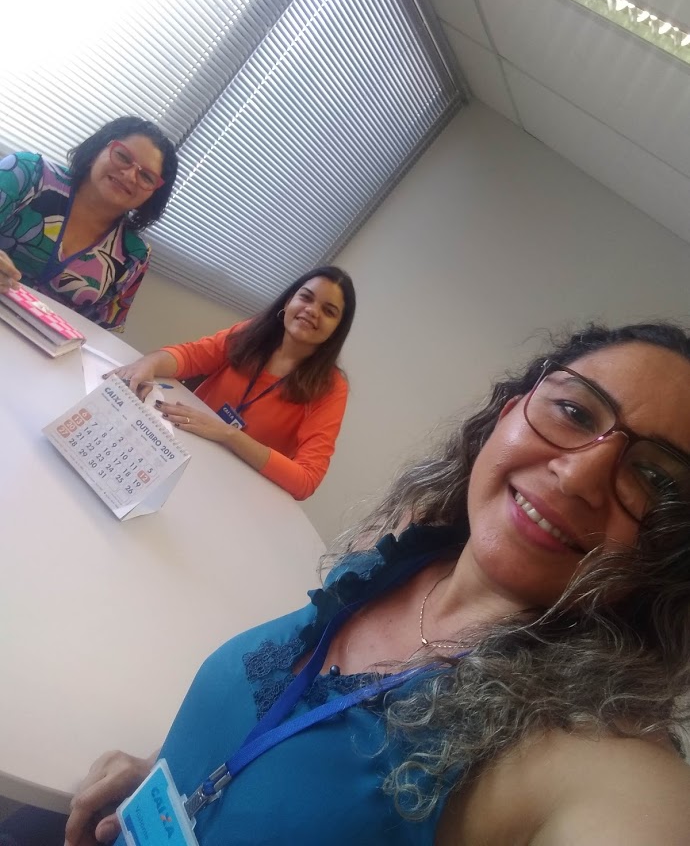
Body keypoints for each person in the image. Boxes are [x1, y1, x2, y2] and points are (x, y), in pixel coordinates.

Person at [4, 321, 690, 846]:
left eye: (655, 478)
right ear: (511, 412)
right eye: (575, 412)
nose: (578, 476)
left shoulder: (592, 752)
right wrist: (163, 770)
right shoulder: (397, 561)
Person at [111, 266, 356, 500]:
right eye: (306, 297)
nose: (312, 310)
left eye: (328, 311)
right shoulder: (254, 333)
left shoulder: (332, 388)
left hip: (232, 486)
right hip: (180, 444)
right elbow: (191, 355)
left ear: (337, 330)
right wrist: (149, 364)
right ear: (289, 301)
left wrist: (228, 434)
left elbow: (306, 480)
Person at [0, 116, 178, 330]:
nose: (130, 175)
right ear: (97, 151)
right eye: (123, 156)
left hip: (42, 343)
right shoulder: (28, 173)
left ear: (153, 195)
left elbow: (102, 330)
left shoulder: (134, 255)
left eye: (147, 177)